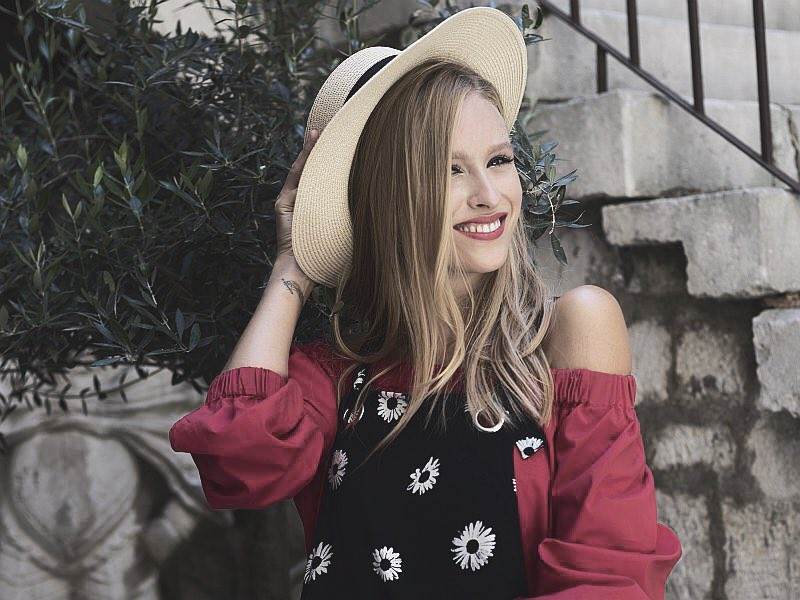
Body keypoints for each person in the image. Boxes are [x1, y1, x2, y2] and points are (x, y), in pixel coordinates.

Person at [169, 7, 682, 599]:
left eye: (498, 161)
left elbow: (610, 572)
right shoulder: (338, 378)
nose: (489, 196)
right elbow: (237, 461)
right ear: (390, 197)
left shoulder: (567, 335)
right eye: (449, 170)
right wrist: (292, 266)